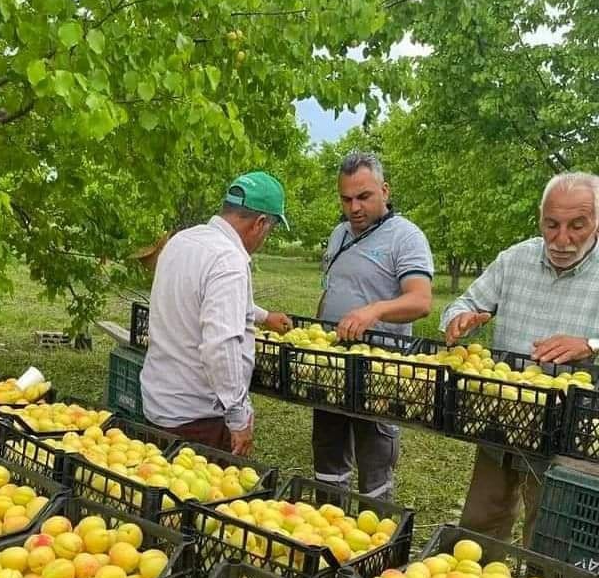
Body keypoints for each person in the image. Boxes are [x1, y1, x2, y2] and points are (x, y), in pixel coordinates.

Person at [440, 171, 599, 543]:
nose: (562, 239)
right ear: (540, 219)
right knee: (480, 524)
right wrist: (459, 319)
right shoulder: (516, 259)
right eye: (551, 225)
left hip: (572, 432)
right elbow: (464, 303)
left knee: (552, 537)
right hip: (502, 417)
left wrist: (590, 344)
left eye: (577, 225)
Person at [141, 171, 292, 455]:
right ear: (260, 223)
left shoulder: (182, 241)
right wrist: (238, 417)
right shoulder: (229, 261)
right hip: (197, 419)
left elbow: (200, 298)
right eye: (269, 230)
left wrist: (263, 316)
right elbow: (221, 346)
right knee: (201, 497)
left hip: (159, 403)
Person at [313, 151, 434, 498]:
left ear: (385, 190)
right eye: (346, 198)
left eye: (363, 197)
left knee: (374, 466)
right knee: (327, 459)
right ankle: (326, 523)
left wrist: (374, 311)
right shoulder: (339, 234)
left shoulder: (405, 237)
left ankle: (377, 538)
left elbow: (421, 301)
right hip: (331, 365)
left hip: (378, 373)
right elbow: (333, 288)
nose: (354, 208)